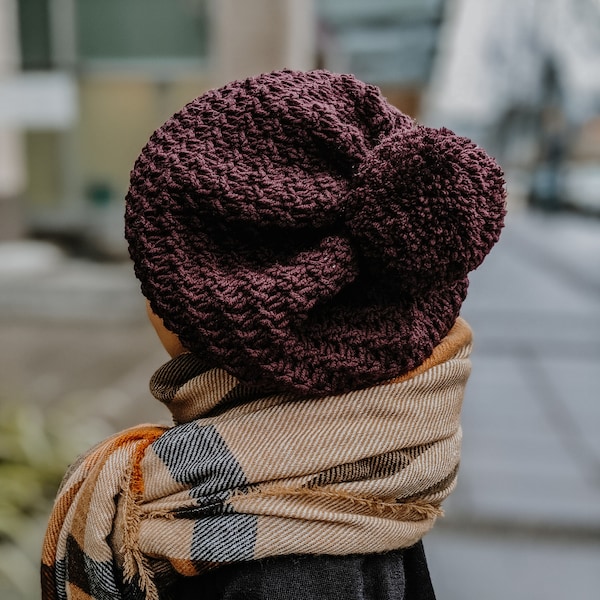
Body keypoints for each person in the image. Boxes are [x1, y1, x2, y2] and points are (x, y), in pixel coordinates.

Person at [41, 69, 506, 600]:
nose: (148, 292)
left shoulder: (277, 571)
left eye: (155, 271)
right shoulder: (366, 477)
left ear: (208, 309)